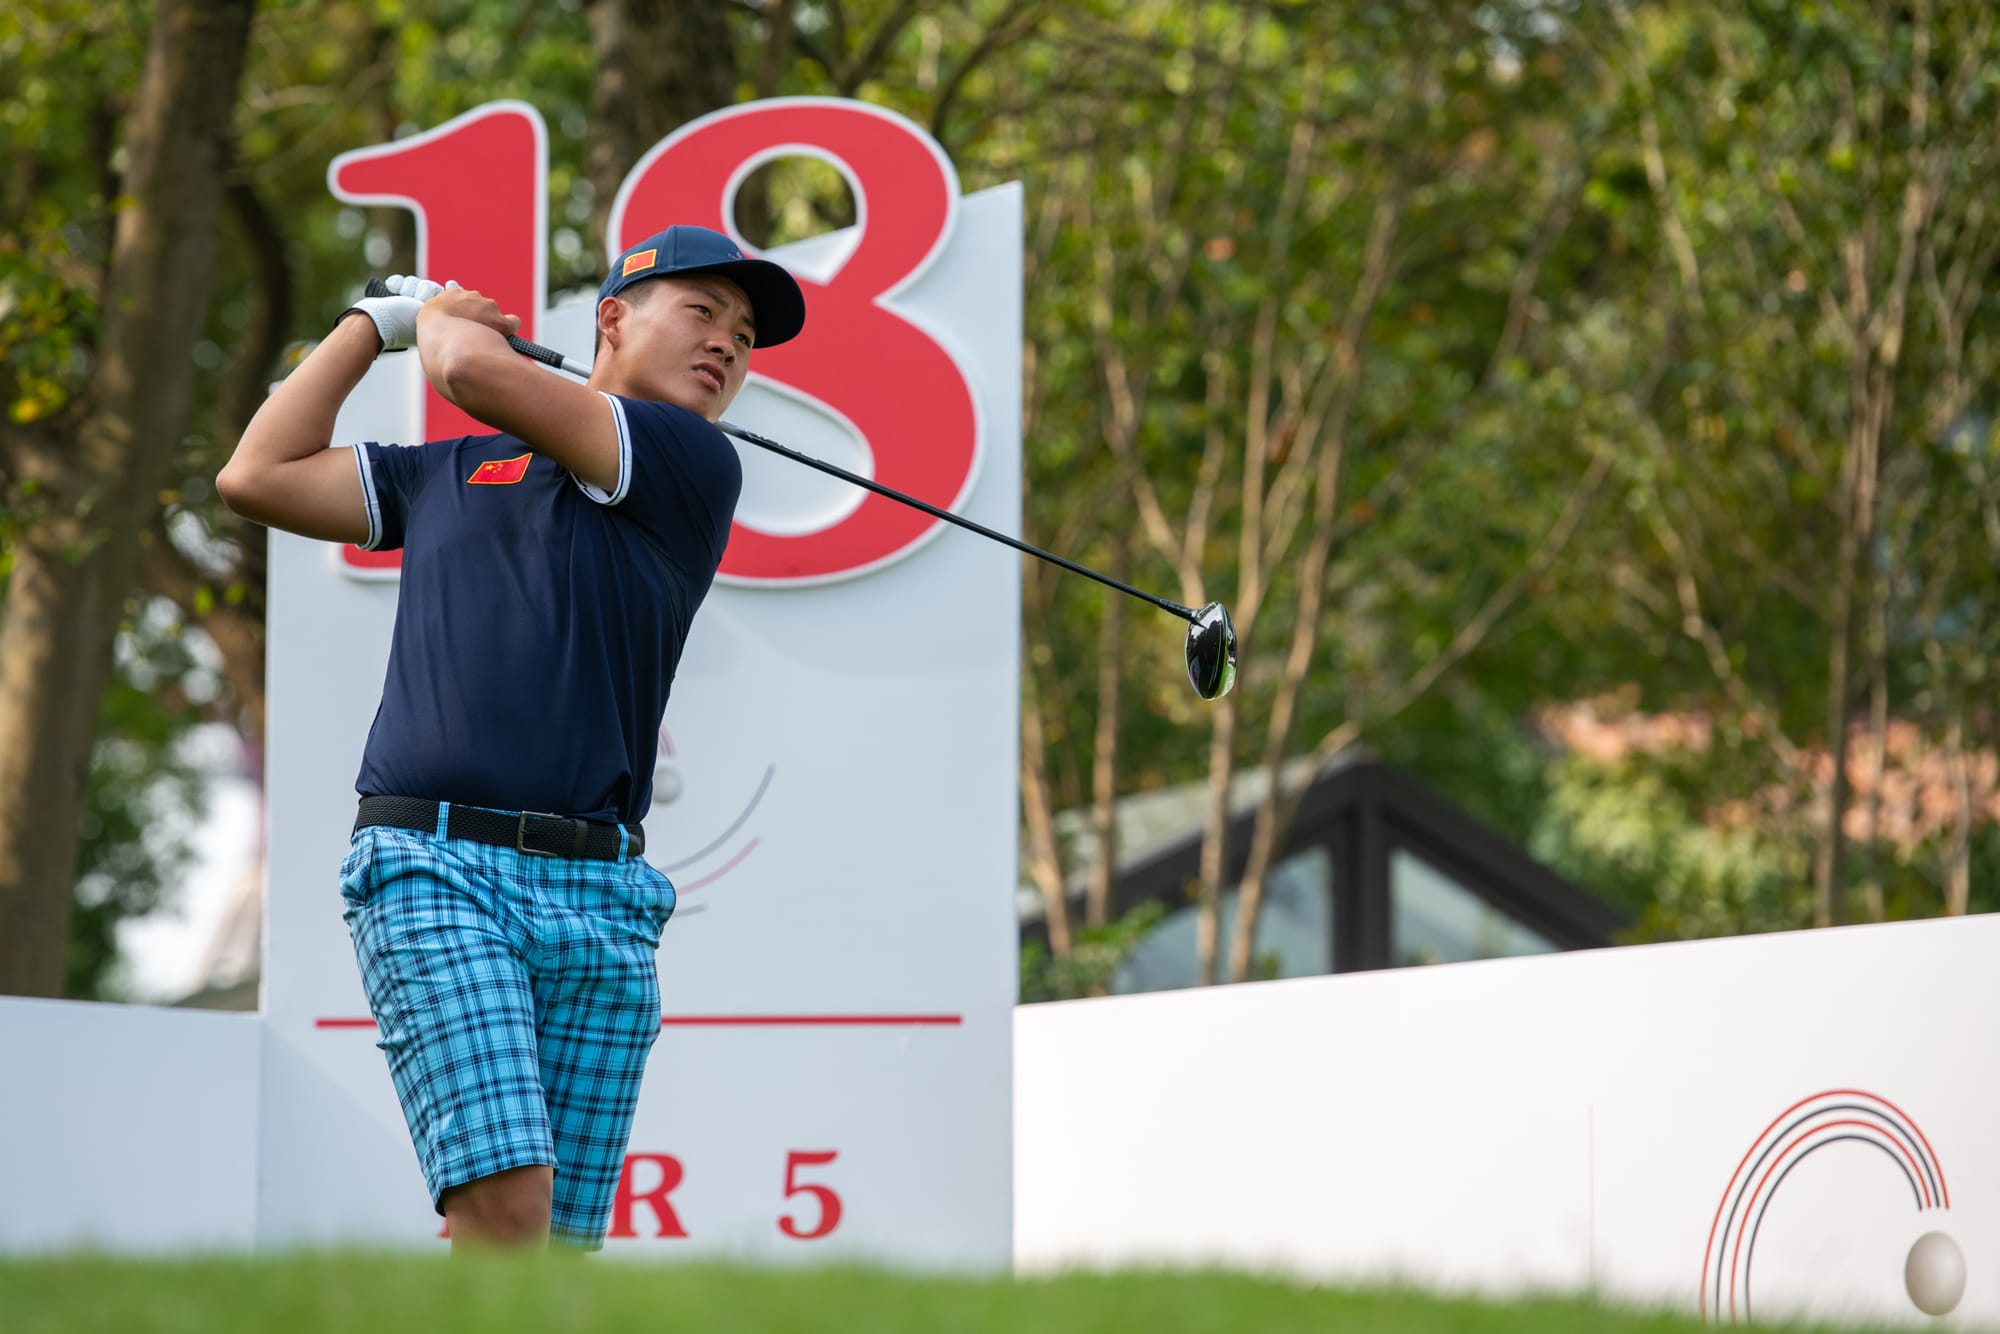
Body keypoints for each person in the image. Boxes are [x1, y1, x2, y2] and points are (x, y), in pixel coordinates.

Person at [217, 225, 807, 1251]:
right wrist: (370, 326)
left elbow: (464, 366)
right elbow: (257, 474)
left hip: (601, 898)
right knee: (506, 1207)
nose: (727, 344)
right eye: (702, 310)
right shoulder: (447, 473)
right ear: (613, 318)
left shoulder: (685, 461)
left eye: (746, 335)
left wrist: (436, 322)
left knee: (543, 1259)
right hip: (433, 864)